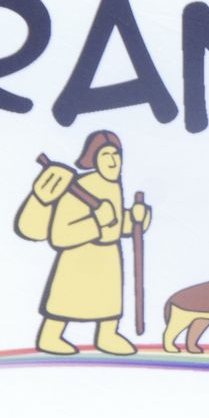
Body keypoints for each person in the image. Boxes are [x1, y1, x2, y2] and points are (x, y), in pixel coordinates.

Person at [21, 129, 153, 356]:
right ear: (94, 159)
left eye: (116, 155)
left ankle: (107, 335)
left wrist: (136, 219)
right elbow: (60, 235)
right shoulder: (78, 188)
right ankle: (50, 336)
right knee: (66, 300)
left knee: (108, 301)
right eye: (105, 155)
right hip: (78, 259)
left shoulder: (114, 185)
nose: (113, 161)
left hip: (108, 259)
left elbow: (115, 223)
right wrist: (96, 223)